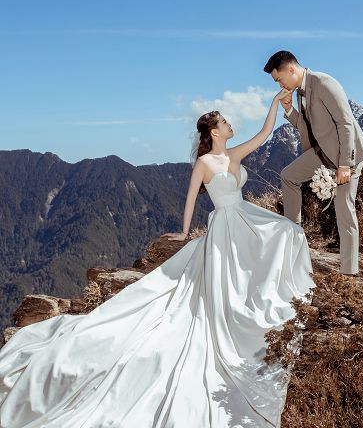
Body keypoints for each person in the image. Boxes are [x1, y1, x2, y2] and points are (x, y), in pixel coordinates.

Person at [0, 87, 315, 428]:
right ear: (214, 132)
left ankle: (268, 295)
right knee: (229, 279)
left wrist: (275, 103)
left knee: (289, 232)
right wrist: (184, 231)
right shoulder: (205, 163)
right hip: (225, 227)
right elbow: (191, 198)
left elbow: (265, 134)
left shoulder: (234, 154)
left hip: (245, 217)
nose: (229, 124)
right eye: (224, 122)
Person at [264, 50, 363, 276]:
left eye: (279, 79)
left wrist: (345, 165)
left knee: (344, 211)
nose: (280, 85)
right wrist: (289, 110)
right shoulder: (299, 92)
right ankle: (292, 238)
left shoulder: (324, 83)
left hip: (346, 155)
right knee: (288, 176)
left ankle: (349, 272)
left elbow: (345, 123)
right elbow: (307, 127)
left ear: (291, 69)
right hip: (322, 152)